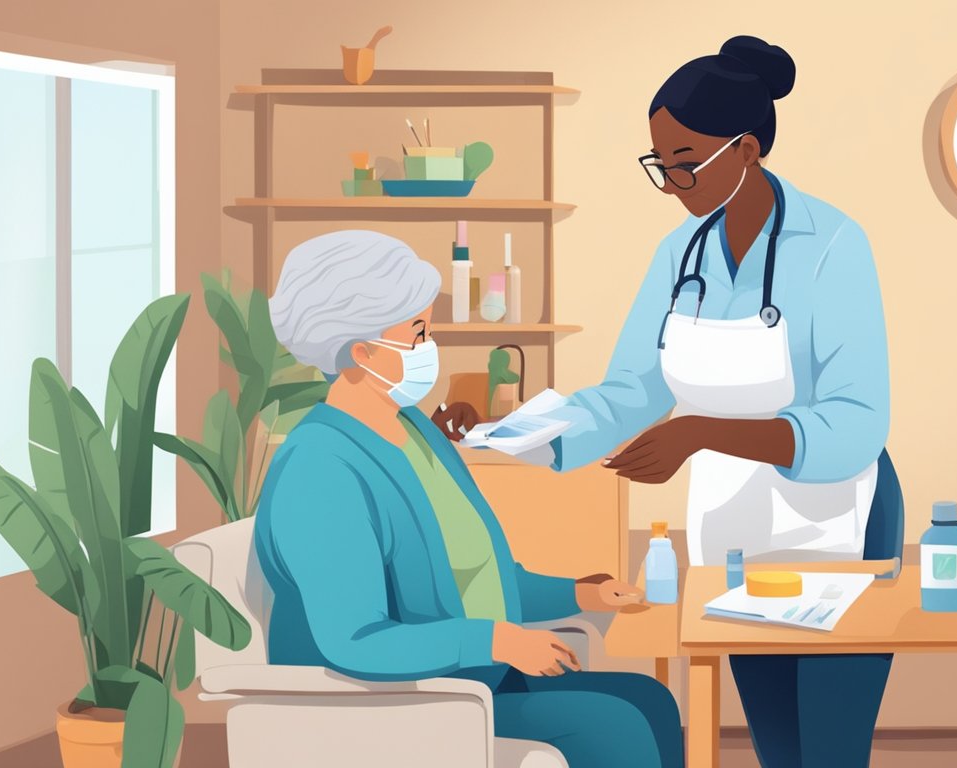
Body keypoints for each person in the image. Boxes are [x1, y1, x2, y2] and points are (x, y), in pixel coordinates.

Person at [546, 36, 893, 767]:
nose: (674, 185)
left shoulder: (832, 244)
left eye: (687, 162)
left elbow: (856, 424)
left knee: (829, 752)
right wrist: (521, 435)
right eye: (661, 166)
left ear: (747, 150)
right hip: (734, 529)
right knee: (777, 747)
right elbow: (632, 392)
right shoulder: (680, 255)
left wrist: (700, 431)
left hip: (839, 518)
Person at [256, 230, 683, 768]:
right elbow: (355, 639)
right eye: (416, 334)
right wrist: (495, 642)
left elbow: (483, 581)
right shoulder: (321, 470)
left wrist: (582, 594)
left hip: (470, 681)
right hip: (391, 701)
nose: (429, 349)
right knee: (616, 729)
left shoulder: (415, 431)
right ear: (360, 353)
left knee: (651, 702)